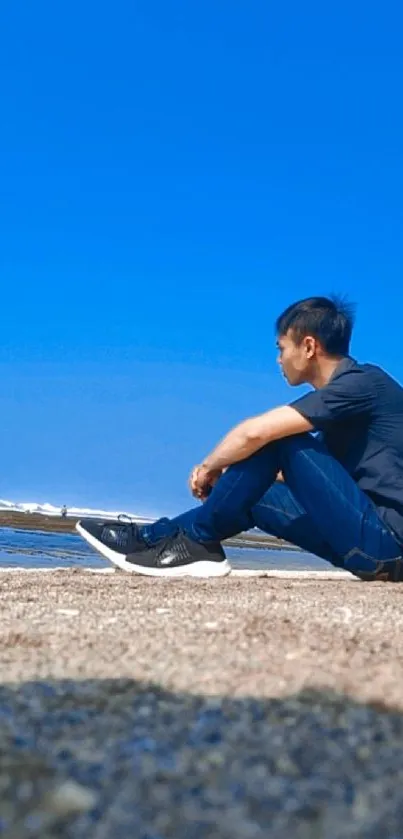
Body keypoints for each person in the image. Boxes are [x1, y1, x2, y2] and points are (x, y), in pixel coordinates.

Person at [76, 296, 403, 581]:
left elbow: (256, 432)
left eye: (281, 348)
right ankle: (153, 537)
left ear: (308, 346)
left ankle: (197, 539)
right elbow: (287, 475)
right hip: (370, 547)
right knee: (255, 490)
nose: (278, 359)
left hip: (386, 544)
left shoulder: (362, 384)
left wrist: (209, 467)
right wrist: (231, 484)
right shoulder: (341, 412)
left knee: (278, 439)